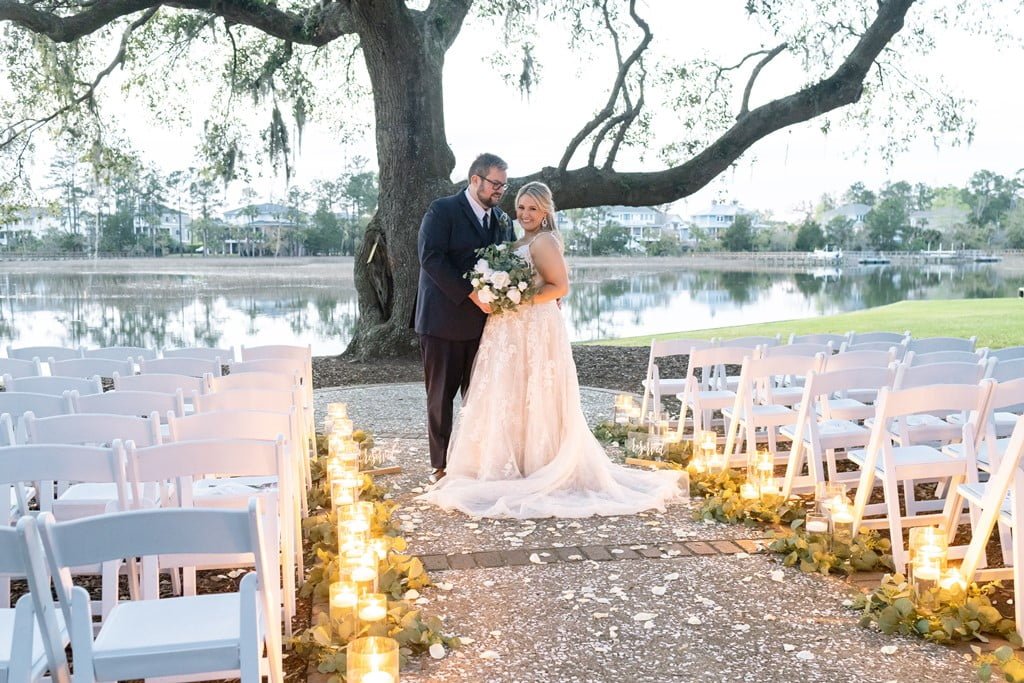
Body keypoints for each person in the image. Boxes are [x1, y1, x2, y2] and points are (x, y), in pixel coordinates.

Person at [419, 181, 683, 518]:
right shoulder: (517, 239)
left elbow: (561, 287)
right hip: (510, 327)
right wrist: (501, 294)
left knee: (537, 393)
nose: (525, 214)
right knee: (512, 394)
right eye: (522, 207)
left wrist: (516, 297)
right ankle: (508, 460)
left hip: (534, 327)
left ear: (546, 212)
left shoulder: (543, 241)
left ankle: (542, 461)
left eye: (533, 208)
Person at [414, 153, 516, 484]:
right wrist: (472, 294)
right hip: (442, 322)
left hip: (486, 326)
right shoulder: (442, 211)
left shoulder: (502, 220)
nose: (501, 190)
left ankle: (475, 460)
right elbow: (431, 258)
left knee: (480, 396)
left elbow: (511, 263)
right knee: (440, 397)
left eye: (504, 184)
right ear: (475, 180)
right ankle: (440, 466)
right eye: (495, 183)